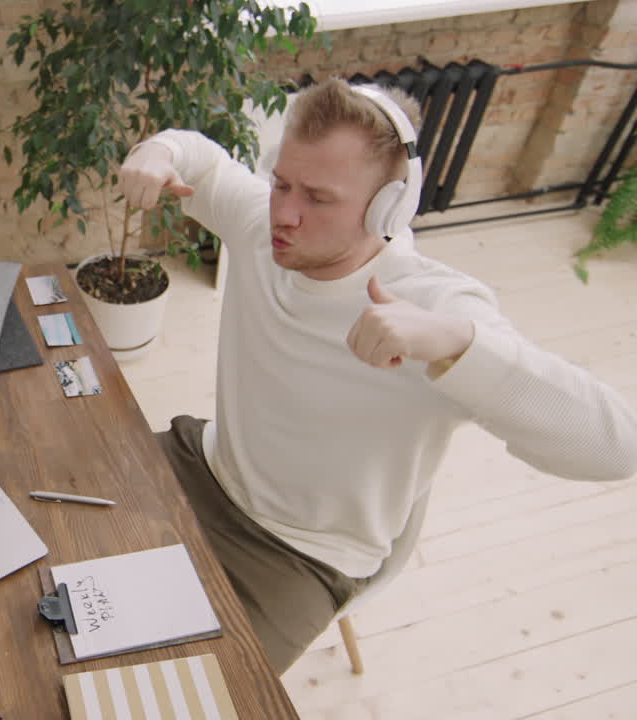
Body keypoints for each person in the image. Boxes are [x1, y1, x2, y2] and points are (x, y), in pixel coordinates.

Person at [118, 77, 637, 673]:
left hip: (298, 555)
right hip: (204, 464)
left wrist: (459, 345)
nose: (285, 213)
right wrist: (159, 151)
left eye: (318, 197)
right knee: (41, 531)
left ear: (389, 205)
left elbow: (617, 448)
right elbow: (201, 161)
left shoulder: (437, 308)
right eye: (281, 183)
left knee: (182, 695)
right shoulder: (263, 227)